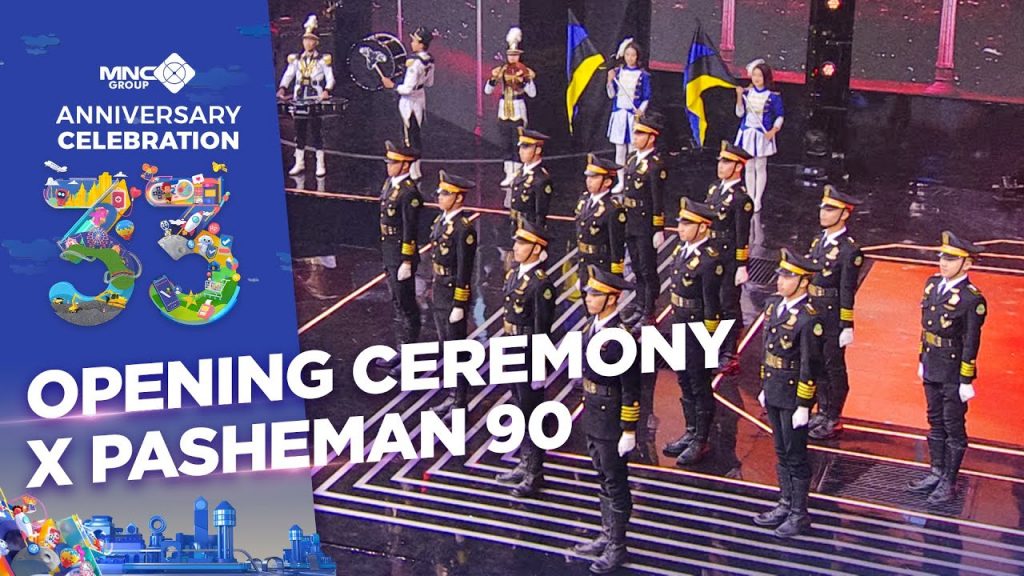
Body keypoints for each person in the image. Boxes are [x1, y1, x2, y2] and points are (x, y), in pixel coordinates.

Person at [568, 266, 640, 574]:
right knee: (602, 478)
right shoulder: (593, 326)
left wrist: (629, 428)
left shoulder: (621, 338)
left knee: (615, 482)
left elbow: (631, 387)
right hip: (594, 414)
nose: (588, 298)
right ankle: (607, 534)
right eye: (588, 293)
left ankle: (617, 546)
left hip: (610, 419)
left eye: (595, 294)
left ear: (612, 298)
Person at [907, 231, 987, 504]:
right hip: (932, 362)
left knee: (953, 425)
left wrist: (966, 379)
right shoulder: (932, 285)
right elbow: (926, 329)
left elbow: (971, 342)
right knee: (935, 420)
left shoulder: (971, 299)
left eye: (951, 259)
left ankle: (949, 481)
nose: (943, 262)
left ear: (967, 264)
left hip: (952, 370)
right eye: (942, 257)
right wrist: (922, 358)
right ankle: (936, 471)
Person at [754, 248, 824, 538]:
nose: (780, 281)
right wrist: (763, 385)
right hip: (774, 389)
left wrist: (804, 404)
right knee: (781, 451)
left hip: (793, 394)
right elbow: (767, 350)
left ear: (803, 282)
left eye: (787, 277)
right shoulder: (774, 307)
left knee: (796, 455)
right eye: (780, 276)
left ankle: (799, 513)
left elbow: (810, 364)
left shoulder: (809, 319)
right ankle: (785, 503)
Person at [495, 221, 556, 497]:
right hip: (512, 348)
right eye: (517, 242)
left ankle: (535, 472)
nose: (516, 247)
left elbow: (543, 328)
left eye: (522, 243)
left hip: (529, 354)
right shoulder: (514, 275)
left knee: (533, 413)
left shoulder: (540, 285)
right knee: (519, 408)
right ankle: (524, 462)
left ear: (536, 249)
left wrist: (540, 366)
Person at [661, 199, 723, 466]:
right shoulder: (682, 250)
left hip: (698, 328)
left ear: (703, 227)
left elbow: (712, 303)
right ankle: (690, 430)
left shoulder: (709, 260)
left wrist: (710, 339)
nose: (681, 228)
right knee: (684, 380)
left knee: (699, 384)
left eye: (687, 224)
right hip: (679, 323)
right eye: (681, 223)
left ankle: (701, 439)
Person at [805, 185, 864, 440]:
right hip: (815, 311)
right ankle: (822, 410)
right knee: (817, 364)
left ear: (844, 214)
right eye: (823, 208)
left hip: (831, 315)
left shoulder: (849, 250)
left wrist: (846, 324)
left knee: (833, 367)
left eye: (830, 210)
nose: (823, 213)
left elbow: (847, 289)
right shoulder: (819, 240)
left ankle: (834, 416)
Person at [427, 171, 478, 418]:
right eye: (440, 193)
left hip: (452, 292)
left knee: (456, 349)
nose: (440, 197)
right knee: (446, 347)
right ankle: (451, 394)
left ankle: (460, 400)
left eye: (445, 194)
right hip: (440, 290)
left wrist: (460, 302)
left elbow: (465, 268)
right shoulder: (442, 221)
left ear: (458, 198)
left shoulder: (463, 229)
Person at [373, 141, 423, 376]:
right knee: (397, 304)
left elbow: (410, 228)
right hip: (389, 250)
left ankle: (410, 357)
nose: (389, 166)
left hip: (400, 254)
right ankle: (401, 350)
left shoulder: (409, 192)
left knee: (407, 305)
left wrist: (407, 260)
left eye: (393, 162)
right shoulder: (390, 184)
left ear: (405, 165)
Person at [705, 142, 753, 374]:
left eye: (726, 162)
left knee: (728, 305)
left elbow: (742, 234)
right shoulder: (715, 189)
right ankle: (714, 345)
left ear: (738, 167)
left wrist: (741, 264)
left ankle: (729, 353)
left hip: (728, 259)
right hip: (712, 255)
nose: (720, 166)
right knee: (711, 302)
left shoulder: (741, 199)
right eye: (721, 161)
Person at [620, 111, 667, 327]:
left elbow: (658, 199)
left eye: (640, 134)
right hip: (631, 221)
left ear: (651, 137)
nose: (636, 137)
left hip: (646, 223)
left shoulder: (655, 165)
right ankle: (639, 305)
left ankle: (649, 311)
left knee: (648, 269)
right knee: (637, 267)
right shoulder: (632, 159)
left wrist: (658, 228)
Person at [277, 14, 335, 177]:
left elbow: (330, 78)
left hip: (315, 99)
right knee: (299, 132)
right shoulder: (296, 59)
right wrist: (282, 88)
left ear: (316, 42)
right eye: (306, 40)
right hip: (299, 99)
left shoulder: (322, 60)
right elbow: (288, 75)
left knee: (316, 132)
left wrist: (327, 90)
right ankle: (299, 163)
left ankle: (320, 164)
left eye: (311, 40)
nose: (308, 43)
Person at [381, 26, 435, 181]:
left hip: (409, 102)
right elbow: (429, 82)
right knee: (416, 134)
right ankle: (416, 169)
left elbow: (407, 89)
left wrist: (392, 86)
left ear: (421, 43)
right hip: (420, 98)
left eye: (414, 41)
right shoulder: (430, 60)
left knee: (408, 136)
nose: (412, 43)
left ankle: (411, 171)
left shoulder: (414, 63)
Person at [485, 26, 537, 187]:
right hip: (503, 111)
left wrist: (525, 81)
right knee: (505, 143)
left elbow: (533, 94)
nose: (512, 58)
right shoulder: (501, 70)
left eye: (515, 55)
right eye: (510, 55)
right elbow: (487, 91)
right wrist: (493, 80)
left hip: (518, 110)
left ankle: (518, 172)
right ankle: (508, 173)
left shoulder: (525, 71)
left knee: (517, 143)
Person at [734, 59, 784, 213]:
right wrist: (739, 97)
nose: (756, 79)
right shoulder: (747, 93)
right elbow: (739, 114)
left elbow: (780, 116)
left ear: (765, 77)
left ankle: (758, 199)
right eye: (754, 75)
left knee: (760, 167)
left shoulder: (773, 96)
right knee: (748, 166)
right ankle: (750, 196)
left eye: (760, 76)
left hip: (763, 135)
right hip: (747, 134)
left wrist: (773, 131)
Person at [605, 38, 651, 194]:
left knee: (633, 149)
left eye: (633, 55)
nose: (630, 58)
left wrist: (641, 110)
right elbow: (612, 95)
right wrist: (609, 82)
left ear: (637, 57)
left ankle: (631, 180)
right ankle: (621, 181)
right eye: (627, 55)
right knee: (619, 150)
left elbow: (646, 97)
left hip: (633, 117)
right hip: (619, 116)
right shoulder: (618, 73)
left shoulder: (643, 75)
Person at [574, 155, 626, 292]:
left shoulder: (612, 208)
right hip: (584, 264)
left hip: (601, 266)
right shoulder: (584, 200)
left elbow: (616, 244)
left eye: (594, 177)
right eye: (588, 177)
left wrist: (615, 275)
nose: (589, 181)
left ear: (607, 181)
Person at [508, 128, 553, 234]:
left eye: (526, 147)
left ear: (537, 150)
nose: (521, 152)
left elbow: (540, 213)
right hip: (517, 225)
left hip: (529, 229)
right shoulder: (521, 172)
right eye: (520, 147)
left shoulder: (541, 179)